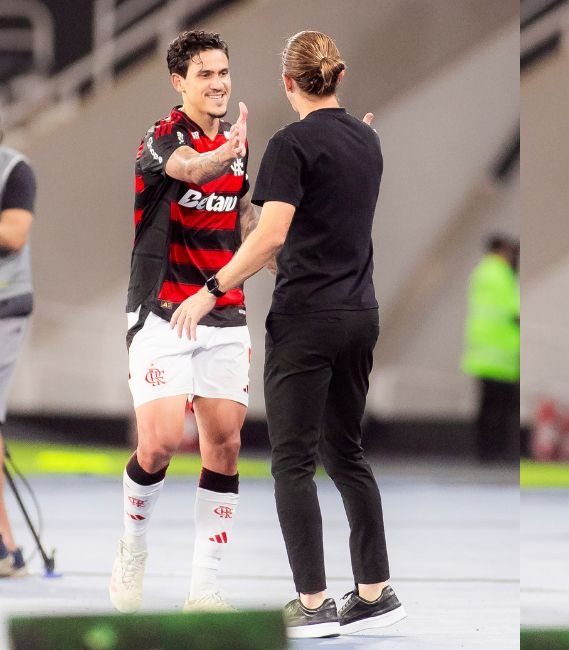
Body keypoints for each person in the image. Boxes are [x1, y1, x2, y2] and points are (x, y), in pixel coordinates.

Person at [170, 30, 406, 638]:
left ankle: (314, 602)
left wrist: (212, 288)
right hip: (360, 314)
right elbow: (327, 222)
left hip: (307, 318)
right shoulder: (368, 141)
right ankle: (375, 592)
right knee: (346, 453)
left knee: (292, 462)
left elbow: (271, 234)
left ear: (288, 83)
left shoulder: (289, 144)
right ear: (339, 76)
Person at [110, 29, 253, 613]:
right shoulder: (162, 136)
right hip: (162, 312)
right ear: (179, 82)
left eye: (223, 72)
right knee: (161, 444)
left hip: (224, 311)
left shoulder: (239, 146)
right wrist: (225, 152)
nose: (218, 84)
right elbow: (191, 170)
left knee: (226, 446)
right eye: (205, 74)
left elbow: (244, 218)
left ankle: (205, 587)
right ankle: (132, 548)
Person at [0, 137, 36, 578]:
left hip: (4, 308)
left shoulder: (13, 169)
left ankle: (5, 546)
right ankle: (8, 547)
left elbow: (13, 234)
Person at [462, 234, 520, 463]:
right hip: (500, 352)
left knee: (486, 406)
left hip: (483, 351)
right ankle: (496, 452)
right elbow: (513, 310)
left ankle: (484, 452)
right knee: (500, 407)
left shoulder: (481, 272)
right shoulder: (501, 273)